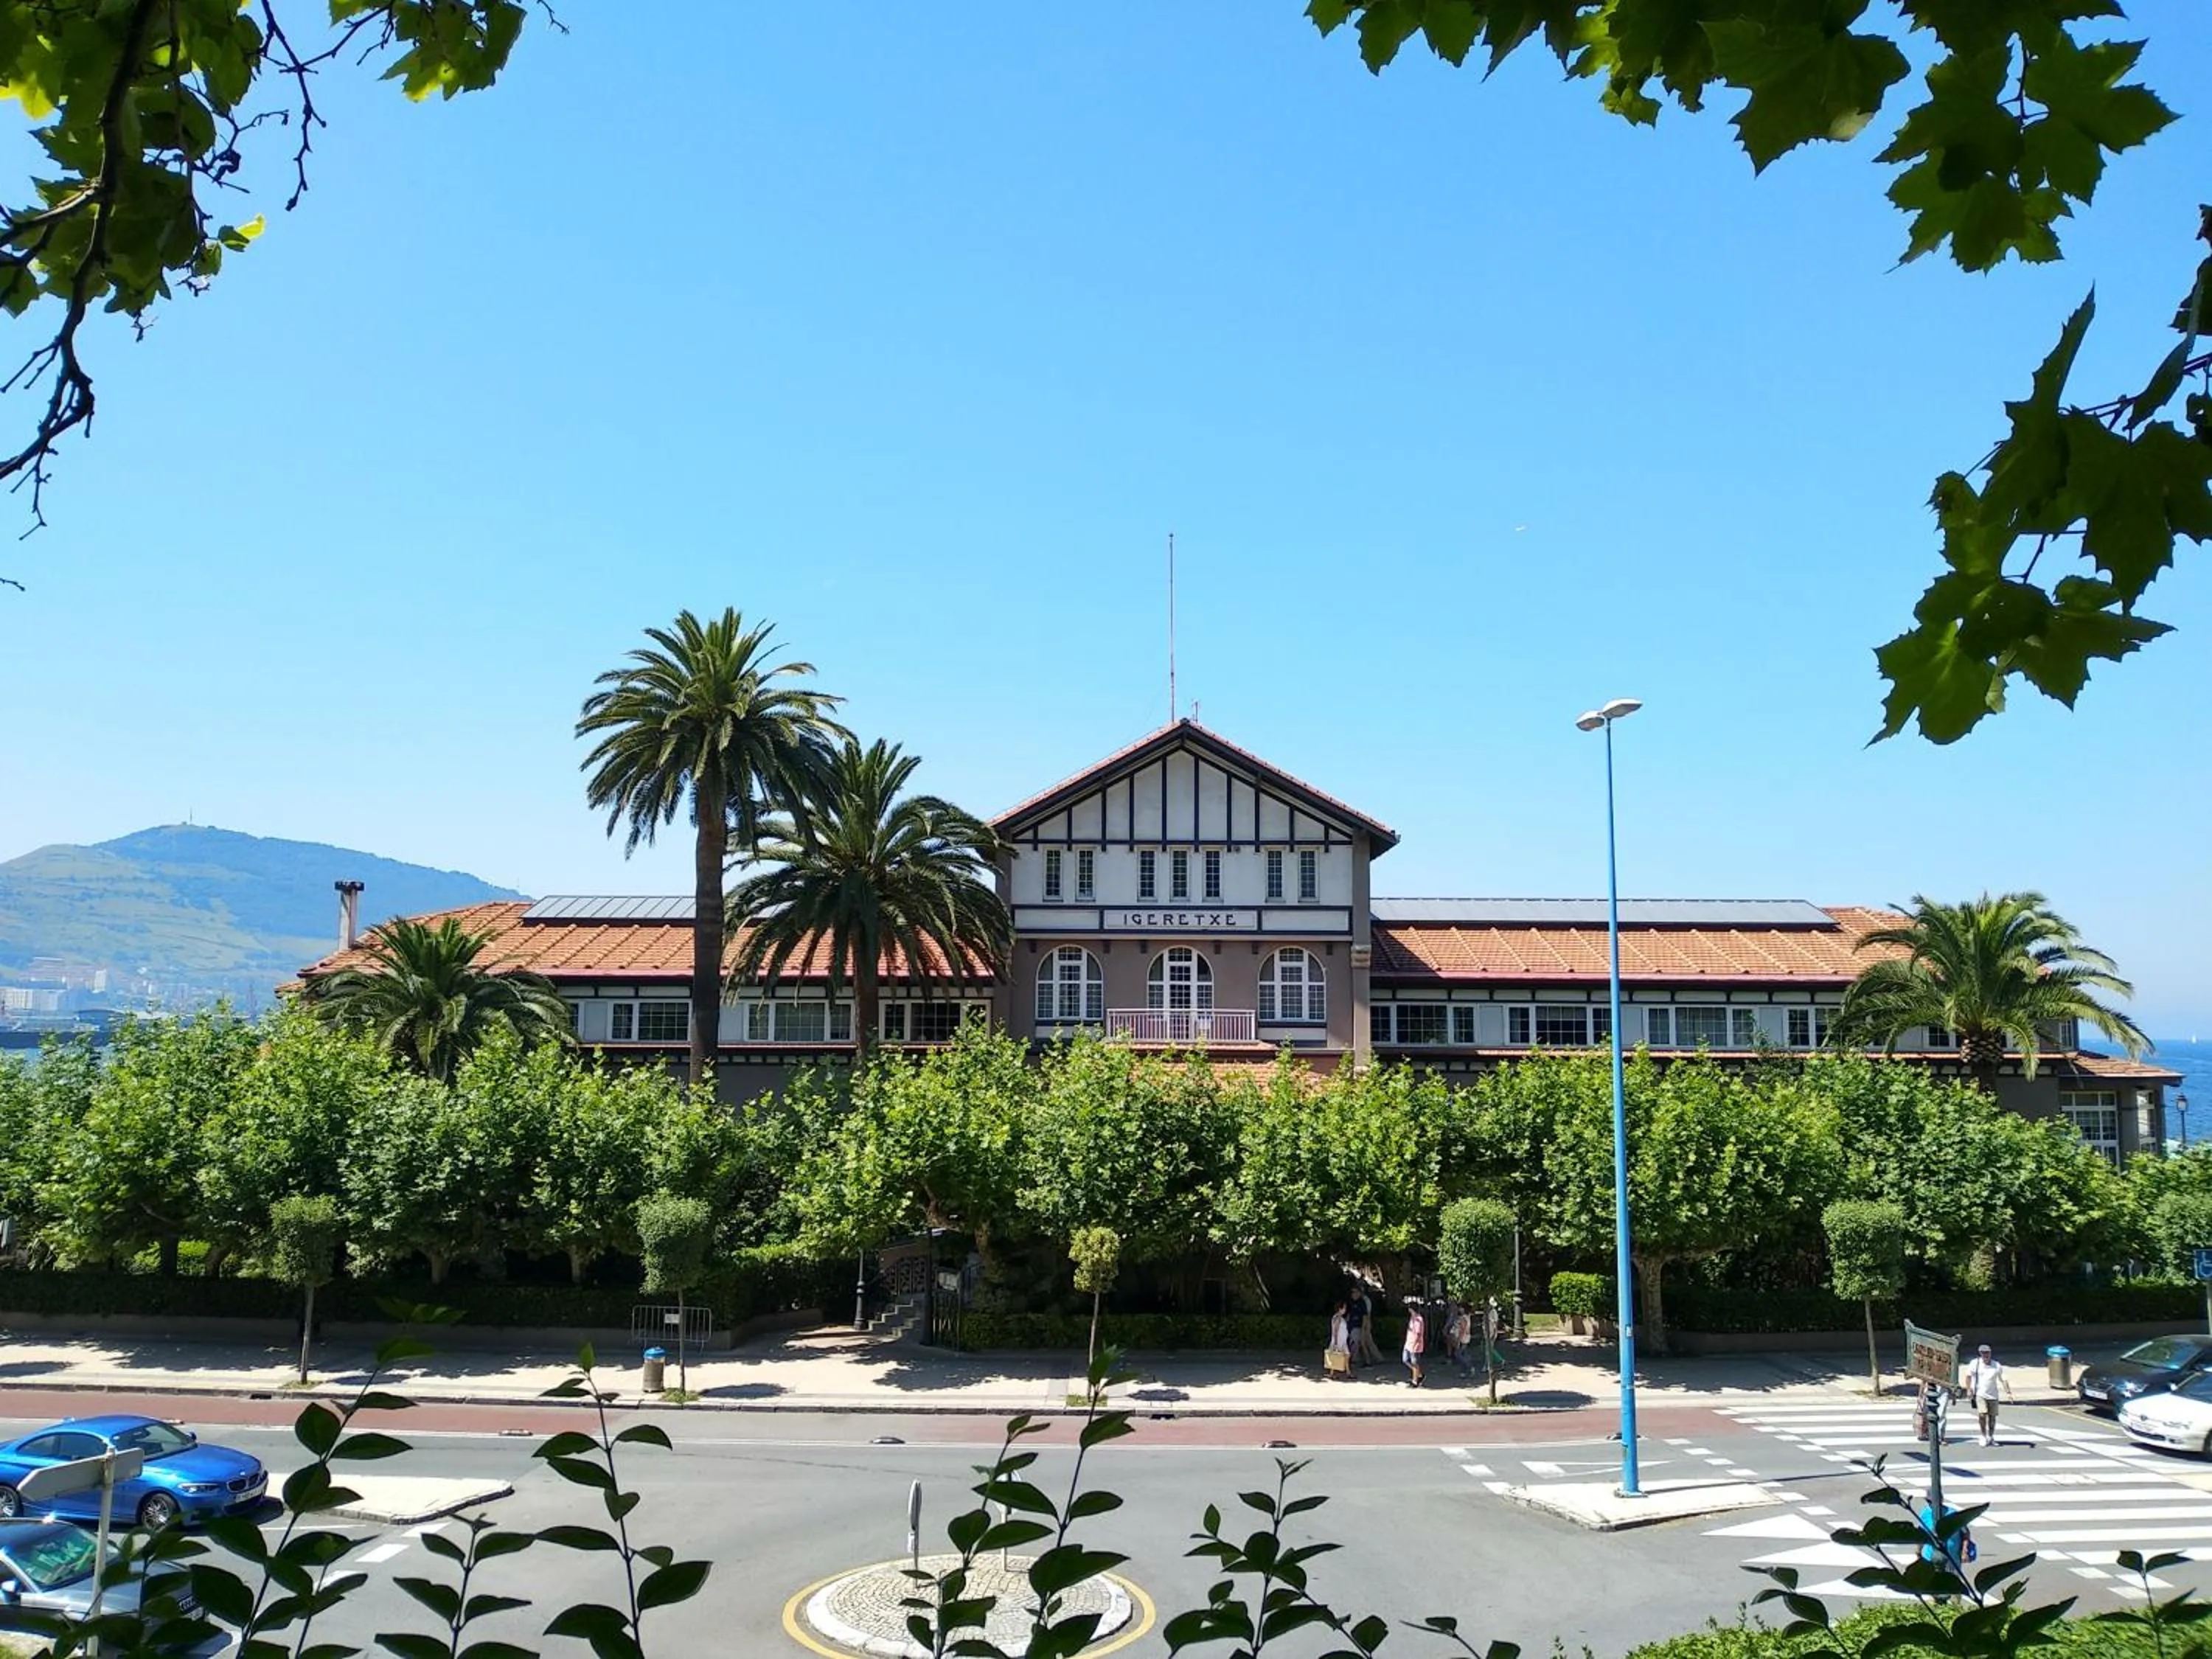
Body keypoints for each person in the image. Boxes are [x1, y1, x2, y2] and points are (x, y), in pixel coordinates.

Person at [1960, 1343, 2013, 1446]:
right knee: (1982, 1414)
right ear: (1980, 1354)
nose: (1986, 1355)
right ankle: (1983, 1435)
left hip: (1993, 1395)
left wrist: (2009, 1393)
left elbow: (2004, 1379)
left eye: (1987, 1353)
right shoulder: (1975, 1364)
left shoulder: (1996, 1365)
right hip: (1980, 1394)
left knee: (1992, 1417)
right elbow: (1968, 1377)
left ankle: (1991, 1436)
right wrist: (1969, 1389)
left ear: (1990, 1353)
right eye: (1983, 1353)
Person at [1402, 1298, 1428, 1388]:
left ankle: (1415, 1381)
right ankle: (1420, 1374)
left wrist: (1415, 1344)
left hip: (1415, 1344)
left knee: (1414, 1363)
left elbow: (1418, 1333)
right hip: (1408, 1343)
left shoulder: (1419, 1319)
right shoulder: (1412, 1318)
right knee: (1405, 1360)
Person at [1325, 1301, 1352, 1380]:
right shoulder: (1338, 1318)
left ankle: (1347, 1372)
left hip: (1342, 1341)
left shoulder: (1339, 1318)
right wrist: (1336, 1342)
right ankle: (1333, 1373)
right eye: (1344, 1308)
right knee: (1338, 1356)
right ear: (1340, 1309)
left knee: (1346, 1355)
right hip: (1339, 1341)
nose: (1345, 1310)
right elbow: (1336, 1330)